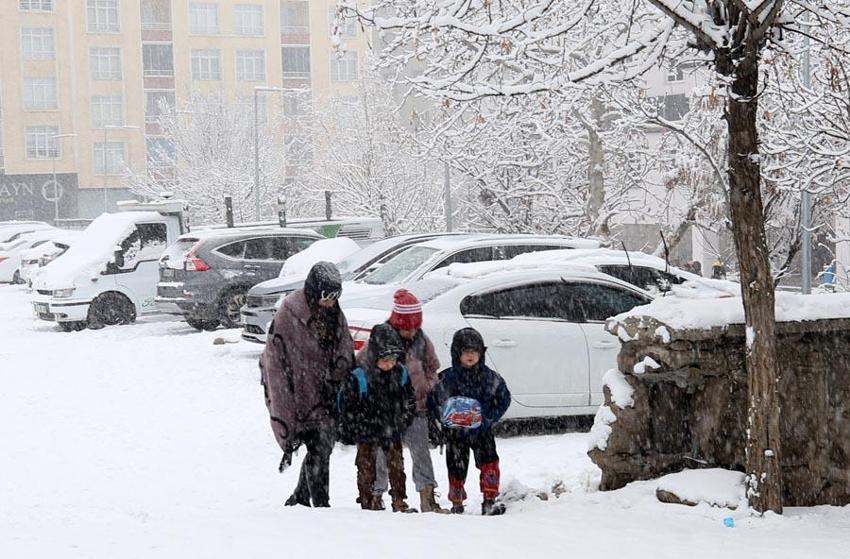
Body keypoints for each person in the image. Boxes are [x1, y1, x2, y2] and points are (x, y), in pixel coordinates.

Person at [260, 261, 354, 508]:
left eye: (335, 296)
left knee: (321, 448)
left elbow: (343, 347)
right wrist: (284, 408)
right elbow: (275, 364)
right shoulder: (288, 315)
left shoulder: (335, 314)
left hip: (327, 394)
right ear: (314, 291)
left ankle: (301, 496)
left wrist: (342, 377)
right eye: (326, 296)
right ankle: (321, 504)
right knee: (319, 449)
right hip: (299, 394)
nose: (331, 302)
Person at [357, 289, 449, 514]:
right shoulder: (381, 339)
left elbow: (432, 367)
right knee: (382, 456)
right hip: (386, 412)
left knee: (421, 453)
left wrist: (427, 387)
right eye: (407, 327)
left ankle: (427, 496)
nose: (412, 331)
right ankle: (377, 495)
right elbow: (361, 366)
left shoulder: (421, 340)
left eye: (415, 326)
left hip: (415, 407)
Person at [429, 328, 511, 516]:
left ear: (481, 353)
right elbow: (433, 400)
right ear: (456, 353)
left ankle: (489, 499)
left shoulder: (490, 378)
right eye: (466, 351)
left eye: (475, 351)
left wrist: (489, 417)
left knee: (489, 463)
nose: (470, 355)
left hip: (482, 432)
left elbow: (504, 398)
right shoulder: (446, 378)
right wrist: (441, 419)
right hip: (455, 434)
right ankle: (457, 502)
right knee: (456, 468)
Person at [338, 323, 416, 512]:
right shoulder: (360, 377)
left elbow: (409, 399)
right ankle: (368, 500)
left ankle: (399, 500)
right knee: (366, 468)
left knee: (397, 467)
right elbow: (346, 405)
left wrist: (404, 419)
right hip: (366, 431)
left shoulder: (401, 373)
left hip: (392, 429)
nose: (390, 363)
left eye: (393, 359)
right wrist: (355, 427)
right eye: (385, 359)